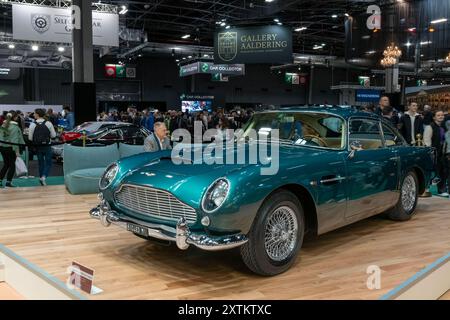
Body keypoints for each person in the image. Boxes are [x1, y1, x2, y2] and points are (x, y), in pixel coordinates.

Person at [28, 108, 56, 186]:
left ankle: (41, 178)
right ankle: (43, 177)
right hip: (47, 145)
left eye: (34, 113)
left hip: (38, 146)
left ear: (37, 114)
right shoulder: (48, 123)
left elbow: (30, 138)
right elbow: (54, 135)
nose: (33, 115)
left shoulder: (32, 124)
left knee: (40, 163)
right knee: (48, 163)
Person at [424, 110, 447, 196]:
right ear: (434, 117)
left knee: (442, 171)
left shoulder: (444, 127)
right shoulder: (430, 127)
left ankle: (441, 190)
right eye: (438, 115)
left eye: (442, 115)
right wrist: (431, 153)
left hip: (442, 153)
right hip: (433, 153)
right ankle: (426, 189)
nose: (441, 116)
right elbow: (427, 141)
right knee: (433, 172)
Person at [0, 111, 25, 188]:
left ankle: (0, 180)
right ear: (15, 118)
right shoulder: (15, 127)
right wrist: (17, 151)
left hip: (2, 148)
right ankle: (8, 183)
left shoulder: (3, 125)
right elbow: (15, 141)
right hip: (11, 148)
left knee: (6, 164)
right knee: (12, 165)